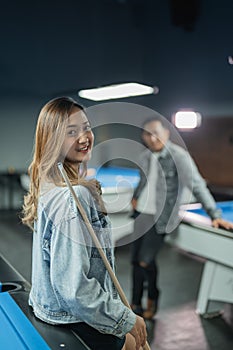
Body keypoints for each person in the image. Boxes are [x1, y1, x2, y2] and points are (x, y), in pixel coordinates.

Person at [21, 96, 147, 350]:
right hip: (70, 318)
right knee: (132, 341)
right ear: (53, 140)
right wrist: (125, 319)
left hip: (48, 308)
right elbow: (74, 290)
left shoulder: (50, 183)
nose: (84, 137)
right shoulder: (72, 196)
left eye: (86, 127)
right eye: (71, 132)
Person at [130, 116, 233, 320]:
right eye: (148, 134)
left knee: (144, 262)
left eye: (156, 133)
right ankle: (135, 304)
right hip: (141, 213)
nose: (152, 138)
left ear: (166, 133)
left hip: (160, 218)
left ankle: (152, 297)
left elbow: (197, 184)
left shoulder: (179, 157)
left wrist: (215, 214)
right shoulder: (144, 157)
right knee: (135, 261)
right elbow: (144, 181)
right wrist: (135, 196)